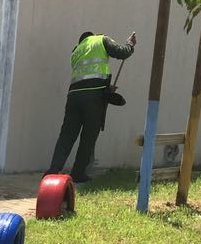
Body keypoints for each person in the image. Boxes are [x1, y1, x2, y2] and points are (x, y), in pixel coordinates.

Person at [47, 30, 137, 183]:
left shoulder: (76, 51)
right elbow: (122, 53)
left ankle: (52, 171)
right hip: (94, 97)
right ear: (91, 36)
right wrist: (130, 44)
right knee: (88, 136)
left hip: (74, 96)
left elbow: (86, 76)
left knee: (67, 135)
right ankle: (78, 173)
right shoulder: (101, 40)